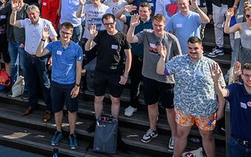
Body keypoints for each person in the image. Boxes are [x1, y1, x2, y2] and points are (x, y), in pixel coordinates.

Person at [158, 36, 225, 157]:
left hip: (206, 110)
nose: (193, 51)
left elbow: (221, 89)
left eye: (196, 48)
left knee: (208, 136)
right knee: (180, 134)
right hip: (184, 109)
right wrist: (162, 57)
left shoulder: (212, 64)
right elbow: (161, 71)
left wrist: (220, 108)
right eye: (190, 48)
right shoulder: (178, 61)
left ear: (201, 48)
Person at [127, 12, 181, 149]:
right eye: (155, 25)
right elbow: (131, 39)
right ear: (152, 24)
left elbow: (179, 59)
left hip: (167, 79)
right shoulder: (146, 33)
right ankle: (152, 129)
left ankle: (174, 135)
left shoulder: (172, 39)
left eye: (160, 25)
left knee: (169, 109)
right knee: (151, 105)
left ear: (165, 24)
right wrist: (132, 26)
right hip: (149, 77)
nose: (158, 28)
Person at [33, 22, 83, 150]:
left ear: (71, 34)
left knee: (72, 110)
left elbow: (78, 68)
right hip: (55, 83)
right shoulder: (53, 45)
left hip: (70, 84)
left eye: (68, 33)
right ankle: (59, 131)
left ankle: (72, 134)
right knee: (57, 109)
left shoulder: (77, 48)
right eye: (63, 32)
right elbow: (38, 54)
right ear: (59, 32)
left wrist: (77, 85)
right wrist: (43, 38)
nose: (65, 35)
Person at [212, 61, 251, 157]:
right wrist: (216, 81)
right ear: (242, 76)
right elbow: (222, 93)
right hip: (236, 143)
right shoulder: (236, 88)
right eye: (247, 75)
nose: (250, 79)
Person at [10, 0, 57, 122]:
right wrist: (14, 11)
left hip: (41, 58)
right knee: (30, 82)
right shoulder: (26, 22)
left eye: (33, 14)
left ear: (38, 13)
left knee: (45, 83)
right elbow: (12, 22)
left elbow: (54, 40)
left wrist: (52, 56)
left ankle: (49, 109)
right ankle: (32, 105)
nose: (31, 16)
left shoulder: (46, 23)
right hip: (27, 56)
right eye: (29, 14)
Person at [85, 13, 132, 122]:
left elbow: (129, 57)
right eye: (106, 24)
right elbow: (87, 48)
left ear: (115, 22)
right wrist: (91, 38)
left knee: (115, 100)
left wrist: (125, 75)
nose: (109, 26)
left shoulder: (122, 37)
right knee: (98, 98)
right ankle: (98, 121)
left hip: (115, 73)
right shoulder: (100, 35)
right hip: (100, 72)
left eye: (111, 24)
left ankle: (114, 123)